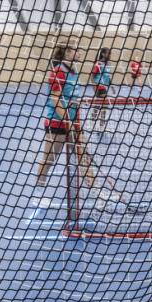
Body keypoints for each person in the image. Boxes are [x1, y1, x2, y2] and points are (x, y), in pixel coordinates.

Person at [36, 43, 98, 191]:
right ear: (67, 53)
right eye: (77, 50)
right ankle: (38, 191)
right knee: (49, 160)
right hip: (57, 123)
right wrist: (67, 120)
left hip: (73, 122)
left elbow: (70, 96)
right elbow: (55, 99)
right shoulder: (58, 72)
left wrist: (78, 103)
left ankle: (96, 189)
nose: (80, 53)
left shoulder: (73, 72)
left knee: (83, 155)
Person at [91, 47, 113, 137]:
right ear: (103, 54)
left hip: (105, 87)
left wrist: (111, 86)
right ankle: (99, 127)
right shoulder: (98, 64)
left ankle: (95, 124)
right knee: (104, 107)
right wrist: (94, 88)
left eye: (110, 53)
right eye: (108, 53)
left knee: (99, 106)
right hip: (99, 87)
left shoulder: (108, 64)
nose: (110, 55)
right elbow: (92, 76)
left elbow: (107, 76)